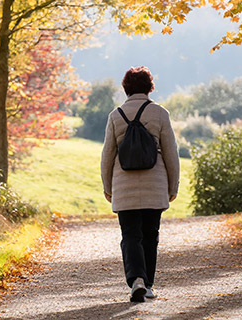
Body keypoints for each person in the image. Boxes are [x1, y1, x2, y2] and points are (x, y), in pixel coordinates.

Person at [100, 66, 181, 302]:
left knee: (130, 235)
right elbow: (170, 154)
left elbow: (107, 155)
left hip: (123, 186)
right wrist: (172, 187)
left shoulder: (115, 115)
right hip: (154, 185)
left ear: (125, 88)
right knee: (150, 235)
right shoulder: (160, 113)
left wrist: (108, 187)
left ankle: (136, 279)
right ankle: (149, 285)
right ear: (149, 87)